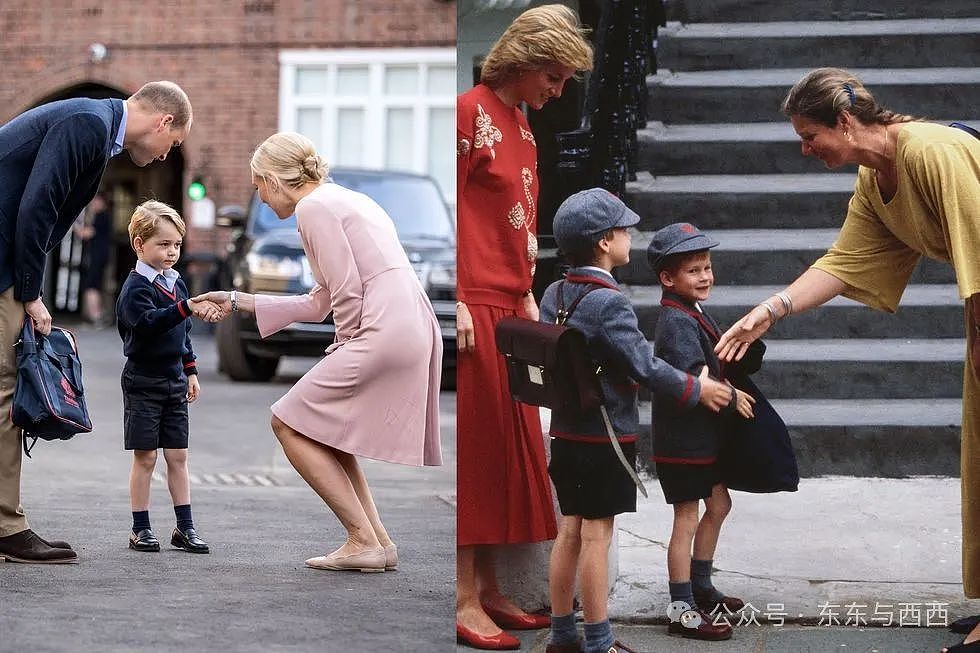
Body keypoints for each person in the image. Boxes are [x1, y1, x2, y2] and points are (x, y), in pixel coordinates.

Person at [711, 67, 980, 653]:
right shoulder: (873, 178)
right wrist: (772, 309)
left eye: (811, 136)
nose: (807, 150)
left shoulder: (933, 152)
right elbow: (847, 260)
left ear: (846, 121)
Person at [194, 132, 442, 572]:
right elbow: (318, 300)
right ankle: (378, 542)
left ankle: (362, 539)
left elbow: (345, 293)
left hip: (380, 328)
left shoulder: (313, 208)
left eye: (257, 187)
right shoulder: (344, 199)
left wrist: (343, 346)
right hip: (409, 323)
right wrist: (236, 300)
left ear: (273, 180)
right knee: (330, 431)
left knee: (286, 421)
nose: (262, 200)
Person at [0, 80, 192, 564]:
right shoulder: (87, 123)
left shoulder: (95, 125)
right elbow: (36, 208)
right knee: (7, 386)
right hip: (3, 264)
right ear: (163, 122)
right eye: (175, 143)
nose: (170, 155)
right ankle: (6, 526)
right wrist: (30, 293)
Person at [538, 190, 735, 653]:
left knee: (569, 529)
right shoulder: (609, 302)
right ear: (605, 242)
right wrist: (697, 388)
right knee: (596, 534)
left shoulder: (555, 291)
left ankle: (562, 634)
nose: (629, 236)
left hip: (565, 431)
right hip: (604, 433)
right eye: (623, 230)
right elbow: (644, 365)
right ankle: (599, 639)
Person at [455, 6, 595, 649]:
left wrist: (527, 291)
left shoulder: (519, 122)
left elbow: (516, 219)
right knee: (481, 456)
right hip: (476, 303)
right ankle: (462, 598)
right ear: (526, 61)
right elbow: (460, 208)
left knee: (508, 453)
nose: (558, 90)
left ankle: (485, 588)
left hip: (509, 302)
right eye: (554, 76)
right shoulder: (469, 111)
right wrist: (457, 294)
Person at [648, 223, 757, 642]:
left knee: (720, 504)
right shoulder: (675, 320)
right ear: (668, 278)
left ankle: (700, 584)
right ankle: (681, 608)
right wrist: (730, 395)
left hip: (700, 440)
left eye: (707, 267)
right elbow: (693, 378)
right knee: (686, 518)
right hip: (682, 443)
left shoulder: (691, 309)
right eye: (694, 270)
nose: (705, 276)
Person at [116, 201, 222, 554]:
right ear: (139, 244)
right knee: (146, 457)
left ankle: (185, 527)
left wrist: (190, 371)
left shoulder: (176, 284)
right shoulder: (135, 289)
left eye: (176, 244)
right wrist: (185, 307)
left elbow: (182, 333)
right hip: (143, 382)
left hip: (174, 381)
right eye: (163, 244)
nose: (172, 252)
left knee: (178, 457)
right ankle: (140, 528)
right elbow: (148, 324)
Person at [75, 193, 113, 326]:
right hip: (99, 256)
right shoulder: (104, 216)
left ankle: (96, 316)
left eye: (95, 201)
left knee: (91, 285)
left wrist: (75, 224)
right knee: (93, 285)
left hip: (97, 256)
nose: (92, 204)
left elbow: (86, 233)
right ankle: (95, 315)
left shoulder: (101, 216)